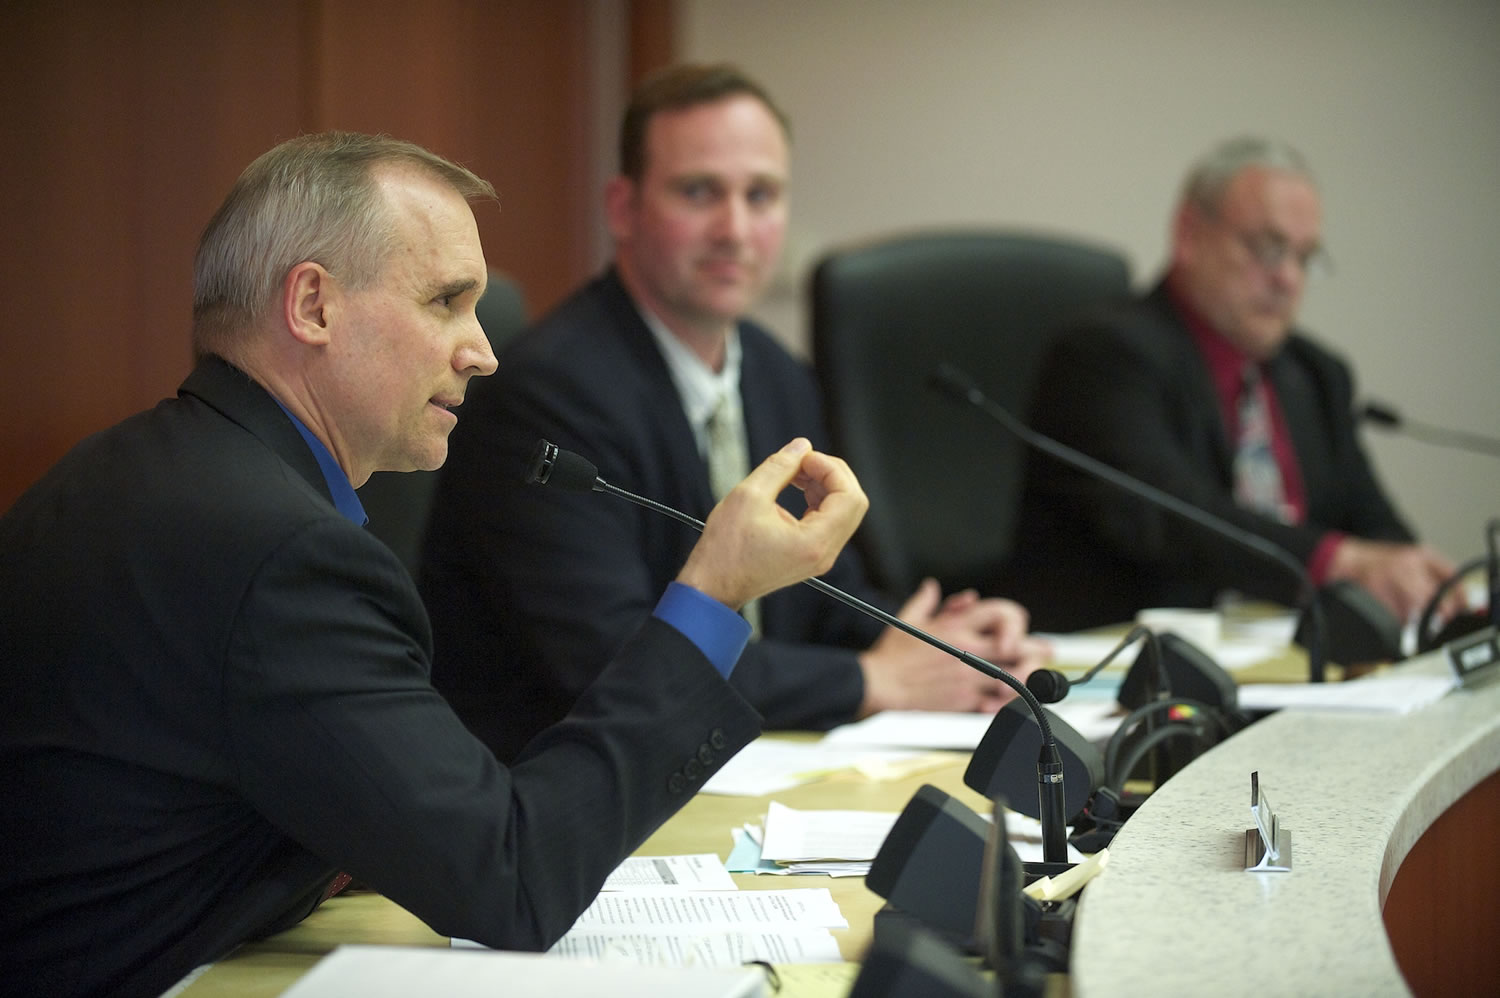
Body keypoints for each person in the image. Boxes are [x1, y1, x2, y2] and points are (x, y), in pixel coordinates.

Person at [0, 132, 871, 998]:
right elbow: (512, 882)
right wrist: (715, 591)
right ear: (313, 307)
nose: (483, 351)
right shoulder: (278, 553)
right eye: (447, 302)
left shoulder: (142, 471)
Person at [419, 64, 1048, 761]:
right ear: (623, 209)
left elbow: (812, 588)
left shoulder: (776, 372)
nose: (736, 229)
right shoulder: (548, 395)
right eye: (699, 192)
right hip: (557, 784)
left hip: (736, 766)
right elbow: (609, 662)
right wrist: (874, 680)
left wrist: (939, 641)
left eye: (762, 195)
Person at [1001, 136, 1454, 632]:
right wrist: (1338, 562)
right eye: (1268, 248)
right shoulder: (1104, 355)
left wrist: (1414, 573)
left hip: (1296, 666)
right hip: (1129, 665)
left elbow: (1374, 528)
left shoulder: (1316, 374)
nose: (1288, 279)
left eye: (1304, 257)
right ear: (1190, 235)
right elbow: (1176, 518)